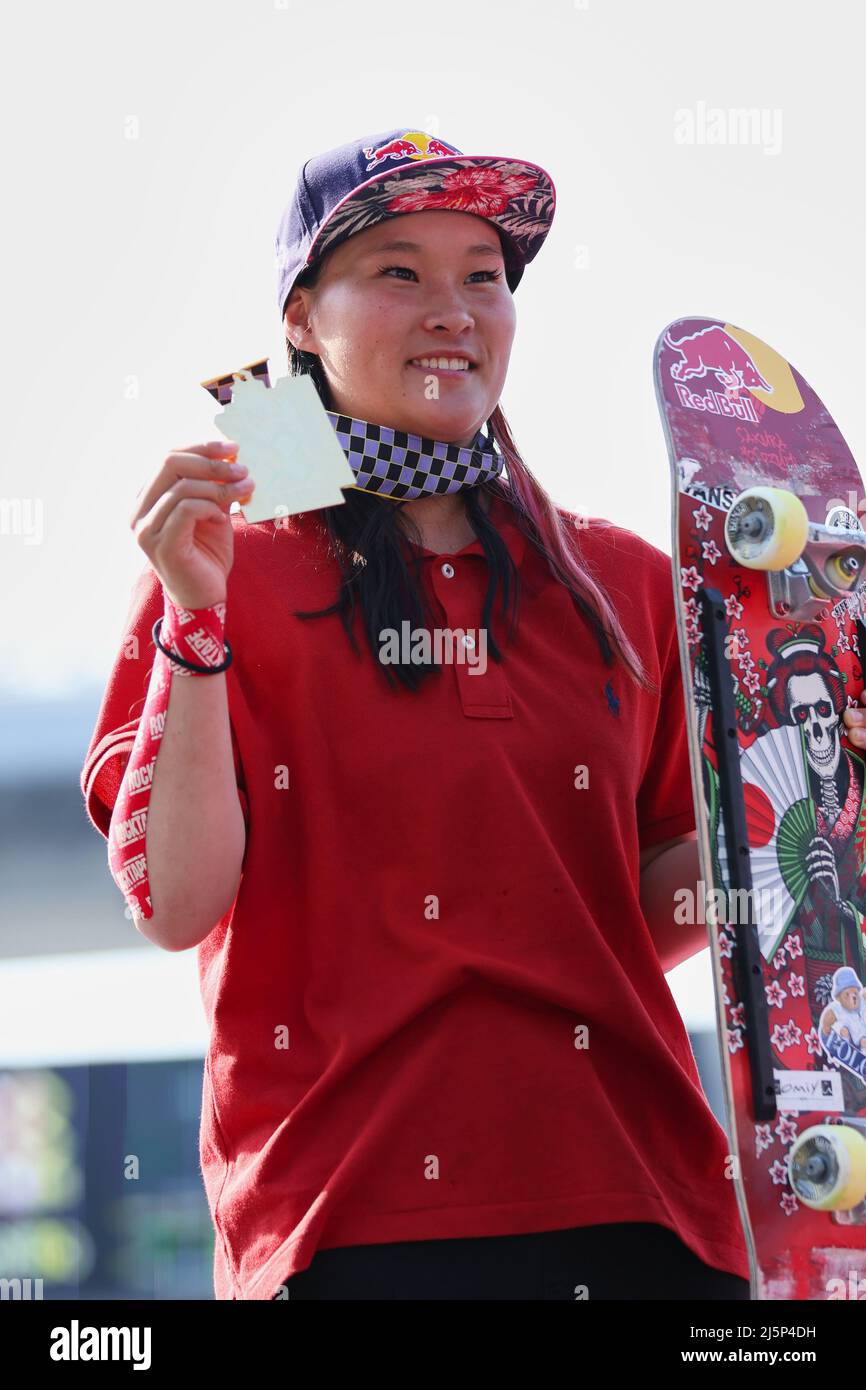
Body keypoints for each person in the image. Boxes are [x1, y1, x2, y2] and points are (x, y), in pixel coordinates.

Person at [81, 127, 751, 1301]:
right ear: (300, 319)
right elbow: (175, 900)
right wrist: (196, 618)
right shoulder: (217, 566)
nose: (451, 308)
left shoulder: (625, 581)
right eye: (397, 271)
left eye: (481, 275)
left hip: (647, 1213)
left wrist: (801, 803)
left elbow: (640, 908)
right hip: (347, 1228)